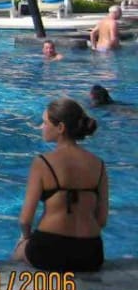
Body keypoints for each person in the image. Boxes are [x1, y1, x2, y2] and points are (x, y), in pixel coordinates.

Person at [11, 98, 107, 272]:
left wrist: (25, 238)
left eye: (45, 122)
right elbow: (101, 219)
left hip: (50, 249)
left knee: (18, 252)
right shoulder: (98, 164)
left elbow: (25, 220)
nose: (41, 127)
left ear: (60, 127)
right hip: (91, 253)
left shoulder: (42, 162)